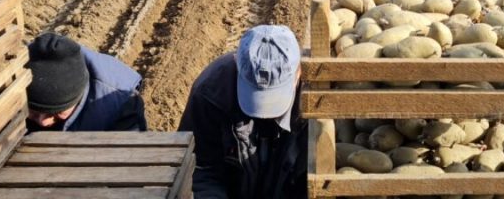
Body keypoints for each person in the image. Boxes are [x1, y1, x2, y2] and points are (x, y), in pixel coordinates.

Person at [178, 25, 307, 199]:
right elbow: (200, 169)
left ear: (298, 73)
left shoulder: (314, 104)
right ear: (237, 66)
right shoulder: (210, 94)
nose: (264, 114)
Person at [26, 32, 147, 133]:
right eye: (34, 111)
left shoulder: (122, 105)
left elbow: (128, 150)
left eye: (56, 112)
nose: (43, 122)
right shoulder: (20, 77)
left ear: (78, 96)